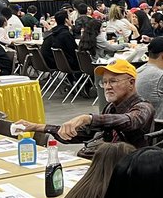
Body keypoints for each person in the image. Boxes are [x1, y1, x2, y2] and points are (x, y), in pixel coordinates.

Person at [15, 59, 155, 154]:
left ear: (131, 83)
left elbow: (130, 121)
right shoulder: (111, 108)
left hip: (132, 170)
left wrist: (88, 118)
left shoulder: (143, 107)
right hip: (106, 164)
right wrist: (37, 127)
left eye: (113, 81)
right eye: (104, 82)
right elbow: (84, 134)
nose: (107, 87)